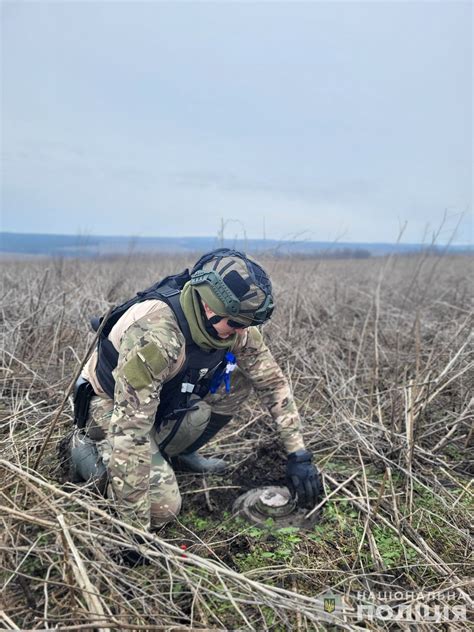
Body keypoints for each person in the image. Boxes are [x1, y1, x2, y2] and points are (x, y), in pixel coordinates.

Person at [68, 248, 322, 531]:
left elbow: (272, 382)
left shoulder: (235, 325)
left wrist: (298, 454)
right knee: (163, 509)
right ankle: (85, 452)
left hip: (162, 400)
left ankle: (180, 452)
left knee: (237, 381)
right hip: (111, 406)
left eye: (248, 325)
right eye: (236, 324)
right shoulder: (157, 335)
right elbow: (131, 431)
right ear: (208, 306)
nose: (242, 332)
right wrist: (134, 530)